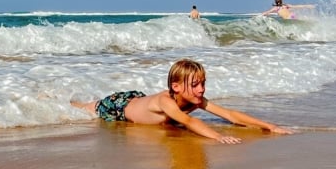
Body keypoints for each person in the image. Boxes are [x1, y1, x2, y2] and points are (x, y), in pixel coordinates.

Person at [71, 59, 293, 144]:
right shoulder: (167, 101)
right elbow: (187, 122)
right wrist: (218, 136)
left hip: (136, 99)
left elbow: (230, 114)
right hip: (118, 106)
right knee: (85, 109)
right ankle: (59, 101)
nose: (201, 89)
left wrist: (269, 126)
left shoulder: (196, 99)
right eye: (195, 85)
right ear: (176, 87)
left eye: (203, 83)